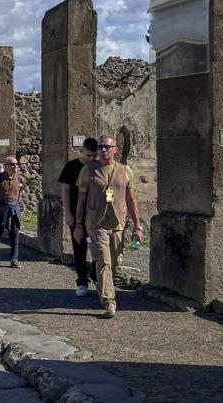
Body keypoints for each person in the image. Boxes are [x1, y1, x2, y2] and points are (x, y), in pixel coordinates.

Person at [74, 135, 143, 319]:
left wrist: (138, 226)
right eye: (101, 147)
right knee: (103, 261)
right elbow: (81, 200)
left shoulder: (125, 171)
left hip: (117, 223)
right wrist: (78, 225)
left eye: (107, 147)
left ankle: (101, 283)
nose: (103, 150)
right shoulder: (88, 171)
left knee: (114, 262)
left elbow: (131, 199)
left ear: (115, 150)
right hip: (95, 224)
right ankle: (109, 302)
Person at [59, 138, 98, 297]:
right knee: (79, 247)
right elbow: (65, 191)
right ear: (81, 151)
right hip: (76, 215)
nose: (92, 159)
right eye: (89, 155)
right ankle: (82, 281)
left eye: (94, 156)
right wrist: (68, 213)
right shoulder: (71, 167)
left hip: (95, 216)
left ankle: (96, 276)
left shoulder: (98, 166)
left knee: (98, 247)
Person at [0, 155, 25, 266]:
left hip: (14, 210)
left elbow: (21, 192)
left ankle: (14, 259)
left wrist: (16, 203)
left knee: (15, 234)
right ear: (5, 166)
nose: (15, 166)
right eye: (12, 164)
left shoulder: (20, 179)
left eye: (16, 164)